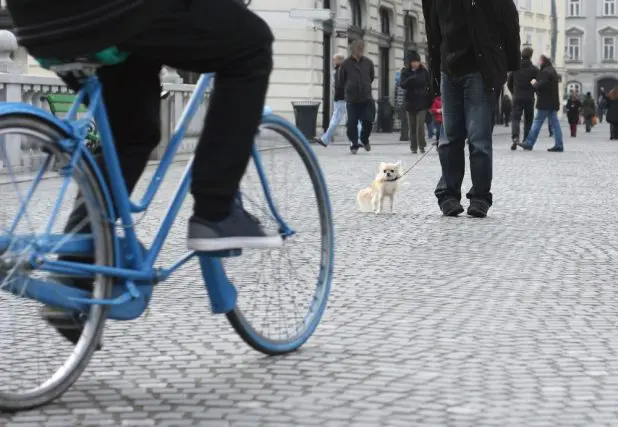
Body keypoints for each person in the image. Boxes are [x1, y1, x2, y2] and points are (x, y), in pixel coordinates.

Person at [7, 0, 279, 344]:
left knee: (133, 131)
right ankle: (216, 212)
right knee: (251, 43)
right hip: (115, 12)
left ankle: (75, 269)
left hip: (36, 20)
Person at [422, 0, 520, 218]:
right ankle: (448, 195)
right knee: (449, 138)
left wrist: (508, 65)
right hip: (448, 69)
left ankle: (480, 197)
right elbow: (433, 32)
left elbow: (509, 22)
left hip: (480, 69)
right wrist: (435, 72)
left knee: (479, 139)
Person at [517, 55, 563, 152]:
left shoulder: (545, 72)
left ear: (542, 61)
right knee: (555, 124)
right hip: (553, 102)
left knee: (537, 122)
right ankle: (559, 145)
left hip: (545, 102)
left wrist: (534, 83)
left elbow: (542, 85)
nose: (538, 62)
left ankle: (529, 143)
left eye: (540, 60)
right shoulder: (552, 70)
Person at [338, 39, 375, 154]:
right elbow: (341, 80)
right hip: (352, 98)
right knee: (351, 123)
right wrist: (350, 87)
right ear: (353, 50)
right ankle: (354, 143)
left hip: (366, 97)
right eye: (358, 49)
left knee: (369, 120)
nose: (360, 51)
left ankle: (364, 138)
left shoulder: (368, 62)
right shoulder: (346, 64)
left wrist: (365, 86)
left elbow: (371, 77)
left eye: (361, 49)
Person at [507, 46, 539, 150]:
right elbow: (538, 84)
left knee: (515, 118)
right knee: (528, 120)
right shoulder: (534, 70)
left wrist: (514, 92)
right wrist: (533, 90)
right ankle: (526, 141)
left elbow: (509, 82)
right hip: (529, 97)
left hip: (517, 97)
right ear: (531, 55)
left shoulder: (515, 68)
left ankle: (515, 138)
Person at [400, 50, 431, 154]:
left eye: (417, 61)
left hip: (422, 103)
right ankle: (413, 147)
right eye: (413, 61)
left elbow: (429, 85)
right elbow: (402, 85)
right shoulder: (405, 72)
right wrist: (411, 79)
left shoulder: (424, 72)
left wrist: (430, 100)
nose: (415, 63)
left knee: (420, 126)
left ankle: (422, 145)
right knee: (412, 127)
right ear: (409, 62)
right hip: (410, 102)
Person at [313, 53, 346, 146]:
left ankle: (325, 139)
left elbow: (340, 86)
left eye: (334, 60)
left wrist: (336, 97)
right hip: (347, 98)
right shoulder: (345, 70)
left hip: (341, 99)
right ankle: (361, 139)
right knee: (354, 120)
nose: (333, 62)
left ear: (339, 60)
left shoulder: (340, 71)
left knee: (336, 119)